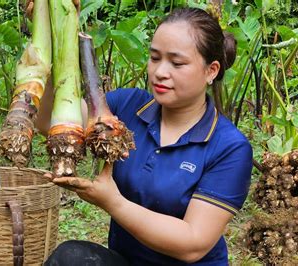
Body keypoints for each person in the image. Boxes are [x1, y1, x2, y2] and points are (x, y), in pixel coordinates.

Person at [36, 7, 253, 266]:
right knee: (71, 258)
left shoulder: (229, 147)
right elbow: (49, 120)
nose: (160, 72)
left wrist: (113, 202)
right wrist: (52, 33)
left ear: (211, 70)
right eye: (154, 58)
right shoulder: (127, 106)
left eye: (177, 62)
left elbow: (193, 244)